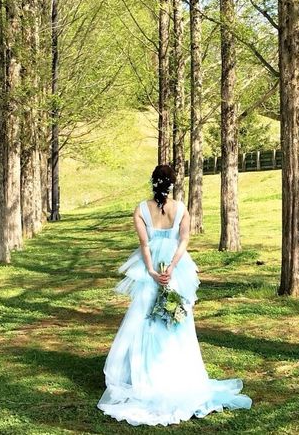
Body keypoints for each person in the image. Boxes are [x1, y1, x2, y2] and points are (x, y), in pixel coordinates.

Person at [97, 164, 252, 426]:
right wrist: (171, 266)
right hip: (175, 268)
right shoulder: (180, 209)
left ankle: (144, 375)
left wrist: (151, 271)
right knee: (177, 320)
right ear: (171, 184)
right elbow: (184, 240)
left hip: (150, 269)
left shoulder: (141, 209)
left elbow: (144, 244)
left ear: (153, 182)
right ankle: (177, 373)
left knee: (145, 318)